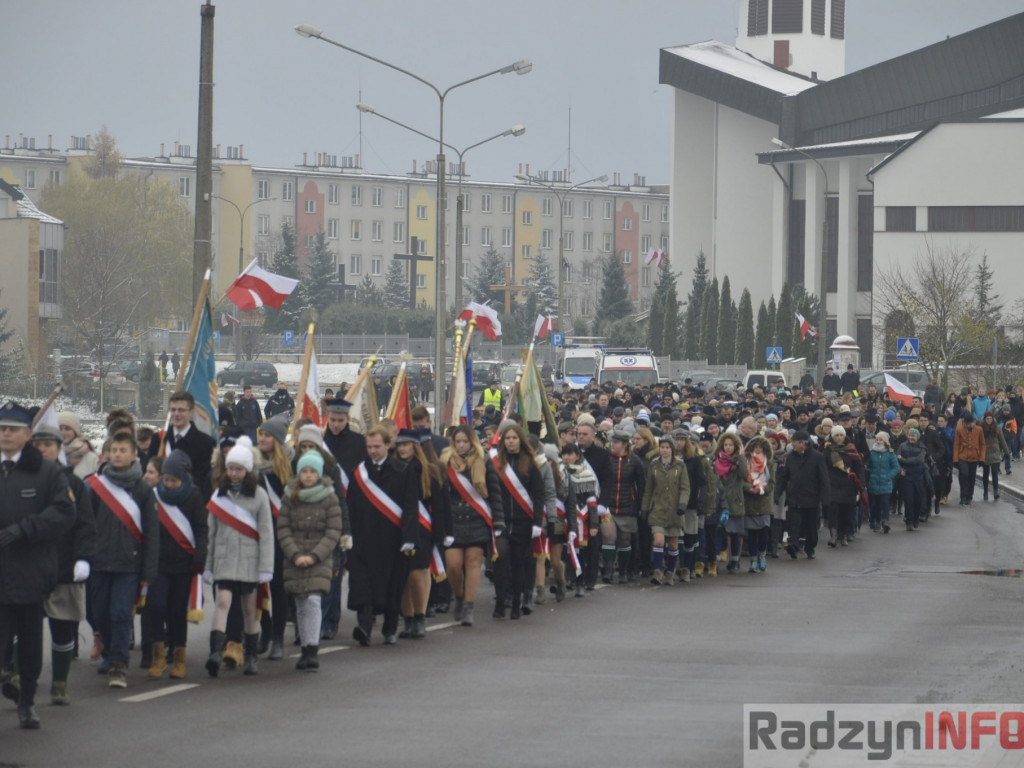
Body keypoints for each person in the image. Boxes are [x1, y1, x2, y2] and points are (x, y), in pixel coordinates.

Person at [0, 403, 76, 728]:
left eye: (12, 429)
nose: (5, 434)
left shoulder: (47, 473)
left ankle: (27, 702)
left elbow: (64, 513)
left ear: (28, 435)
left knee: (30, 645)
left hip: (30, 572)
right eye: (1, 428)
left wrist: (23, 530)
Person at [87, 430, 159, 688]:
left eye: (122, 451)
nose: (117, 455)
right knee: (100, 615)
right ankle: (109, 652)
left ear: (134, 455)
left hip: (129, 565)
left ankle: (119, 663)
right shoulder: (96, 486)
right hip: (98, 562)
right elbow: (85, 525)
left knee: (120, 613)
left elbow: (152, 532)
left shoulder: (142, 489)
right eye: (113, 450)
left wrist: (149, 572)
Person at [204, 436, 274, 677]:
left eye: (239, 469)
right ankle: (215, 652)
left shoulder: (259, 496)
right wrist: (208, 565)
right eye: (231, 468)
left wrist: (266, 567)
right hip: (223, 559)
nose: (233, 473)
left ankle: (252, 655)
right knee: (222, 602)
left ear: (247, 470)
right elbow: (211, 533)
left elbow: (266, 534)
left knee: (249, 609)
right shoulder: (219, 495)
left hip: (248, 561)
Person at [346, 426, 418, 645]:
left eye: (377, 446)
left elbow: (410, 507)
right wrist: (347, 534)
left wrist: (409, 537)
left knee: (391, 586)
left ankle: (389, 628)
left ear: (388, 445)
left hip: (392, 540)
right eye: (369, 447)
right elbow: (351, 506)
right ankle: (364, 628)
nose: (373, 451)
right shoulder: (360, 472)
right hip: (364, 539)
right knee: (362, 585)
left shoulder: (402, 471)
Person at [277, 448, 342, 671]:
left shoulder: (329, 497)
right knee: (300, 604)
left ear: (319, 473)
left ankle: (313, 649)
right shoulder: (289, 496)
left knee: (313, 601)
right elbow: (283, 528)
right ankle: (304, 648)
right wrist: (295, 554)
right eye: (303, 471)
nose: (307, 475)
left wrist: (314, 556)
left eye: (312, 472)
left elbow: (333, 531)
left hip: (318, 558)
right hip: (294, 557)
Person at [146, 450, 207, 680]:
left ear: (183, 479)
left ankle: (179, 658)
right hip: (159, 563)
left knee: (177, 612)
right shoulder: (154, 496)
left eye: (174, 480)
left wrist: (200, 557)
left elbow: (201, 529)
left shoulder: (193, 496)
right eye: (166, 479)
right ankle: (158, 657)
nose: (169, 484)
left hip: (184, 564)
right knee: (156, 606)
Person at [442, 426, 503, 627]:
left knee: (473, 562)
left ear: (472, 442)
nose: (461, 445)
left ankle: (468, 606)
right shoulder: (445, 462)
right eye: (457, 441)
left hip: (477, 519)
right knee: (453, 565)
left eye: (464, 441)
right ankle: (458, 596)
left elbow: (494, 492)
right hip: (452, 521)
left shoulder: (483, 460)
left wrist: (498, 521)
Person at [493, 424, 545, 619]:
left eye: (514, 438)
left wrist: (537, 523)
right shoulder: (496, 464)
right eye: (507, 438)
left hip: (524, 522)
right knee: (500, 559)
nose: (511, 441)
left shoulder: (530, 463)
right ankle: (499, 601)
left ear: (520, 440)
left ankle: (516, 603)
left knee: (518, 563)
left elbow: (539, 495)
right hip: (502, 522)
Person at [641, 436, 690, 585]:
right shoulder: (654, 465)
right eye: (662, 447)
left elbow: (685, 488)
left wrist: (682, 504)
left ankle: (670, 571)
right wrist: (645, 508)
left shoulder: (680, 465)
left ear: (672, 449)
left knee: (673, 544)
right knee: (659, 540)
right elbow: (648, 489)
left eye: (667, 447)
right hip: (658, 509)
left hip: (675, 510)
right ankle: (657, 571)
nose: (664, 450)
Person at [775, 430, 829, 559]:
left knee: (810, 526)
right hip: (794, 497)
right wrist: (777, 493)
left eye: (795, 442)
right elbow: (784, 477)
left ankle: (810, 548)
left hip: (811, 498)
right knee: (794, 524)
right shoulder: (790, 457)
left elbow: (824, 479)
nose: (792, 444)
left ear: (803, 443)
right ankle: (793, 546)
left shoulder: (817, 457)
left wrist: (826, 499)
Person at [162, 391, 217, 499]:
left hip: (191, 504)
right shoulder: (160, 440)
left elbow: (204, 481)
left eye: (181, 410)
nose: (176, 414)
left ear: (191, 412)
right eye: (173, 410)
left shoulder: (206, 443)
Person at [823, 425, 864, 548]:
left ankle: (844, 535)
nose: (839, 438)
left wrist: (861, 483)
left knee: (846, 511)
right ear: (832, 436)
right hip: (833, 484)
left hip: (848, 484)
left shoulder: (851, 449)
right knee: (833, 510)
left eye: (841, 435)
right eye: (836, 435)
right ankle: (833, 535)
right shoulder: (827, 450)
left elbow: (858, 467)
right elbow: (823, 468)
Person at [713, 432, 748, 574]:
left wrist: (741, 456)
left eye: (731, 445)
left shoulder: (739, 461)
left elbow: (745, 475)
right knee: (720, 532)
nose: (728, 447)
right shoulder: (717, 460)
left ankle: (734, 560)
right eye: (725, 445)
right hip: (721, 500)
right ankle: (715, 558)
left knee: (735, 533)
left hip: (735, 501)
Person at [742, 436, 776, 573]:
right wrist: (749, 488)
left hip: (764, 502)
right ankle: (753, 560)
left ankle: (762, 555)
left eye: (760, 447)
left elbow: (772, 482)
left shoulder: (770, 464)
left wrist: (763, 488)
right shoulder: (746, 463)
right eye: (755, 447)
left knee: (763, 532)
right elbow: (742, 480)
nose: (757, 449)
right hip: (750, 501)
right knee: (751, 534)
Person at [866, 432, 899, 533]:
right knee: (874, 504)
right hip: (874, 483)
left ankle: (885, 521)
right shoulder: (871, 452)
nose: (879, 442)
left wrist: (888, 476)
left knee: (885, 503)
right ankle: (875, 521)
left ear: (885, 441)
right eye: (877, 439)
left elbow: (896, 467)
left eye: (881, 440)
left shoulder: (890, 453)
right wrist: (869, 476)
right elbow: (868, 466)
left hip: (886, 483)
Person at [896, 428, 928, 530]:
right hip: (906, 477)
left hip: (918, 476)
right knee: (908, 499)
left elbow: (919, 460)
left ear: (917, 437)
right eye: (910, 435)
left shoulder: (922, 447)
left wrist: (904, 460)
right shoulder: (902, 446)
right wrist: (900, 469)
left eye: (913, 436)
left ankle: (915, 518)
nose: (911, 437)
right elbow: (896, 459)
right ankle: (909, 521)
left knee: (918, 499)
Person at [953, 412, 985, 506]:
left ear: (974, 422)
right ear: (964, 423)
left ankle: (969, 497)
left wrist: (982, 458)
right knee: (963, 475)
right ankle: (963, 496)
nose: (970, 425)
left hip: (974, 457)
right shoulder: (960, 430)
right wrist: (955, 459)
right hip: (963, 456)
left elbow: (982, 444)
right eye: (968, 423)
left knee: (972, 478)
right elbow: (956, 444)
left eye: (971, 423)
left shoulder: (979, 430)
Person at [58, 411, 100, 479]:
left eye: (67, 429)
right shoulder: (53, 454)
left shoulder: (90, 457)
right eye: (60, 428)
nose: (63, 432)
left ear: (75, 431)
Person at [980, 411, 1008, 501]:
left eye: (990, 419)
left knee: (995, 473)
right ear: (984, 419)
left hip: (995, 452)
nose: (989, 420)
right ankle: (985, 491)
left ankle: (996, 491)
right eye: (987, 419)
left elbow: (1002, 440)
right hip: (985, 453)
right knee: (985, 474)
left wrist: (1006, 452)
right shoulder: (981, 428)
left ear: (993, 419)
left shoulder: (997, 427)